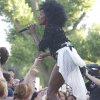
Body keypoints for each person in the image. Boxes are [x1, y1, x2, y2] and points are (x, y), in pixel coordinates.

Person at [29, 1, 87, 100]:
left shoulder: (50, 28)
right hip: (70, 56)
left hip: (65, 57)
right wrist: (46, 54)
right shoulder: (56, 28)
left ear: (48, 15)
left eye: (41, 13)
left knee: (51, 92)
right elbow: (60, 47)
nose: (39, 16)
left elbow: (41, 46)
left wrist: (33, 32)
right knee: (72, 92)